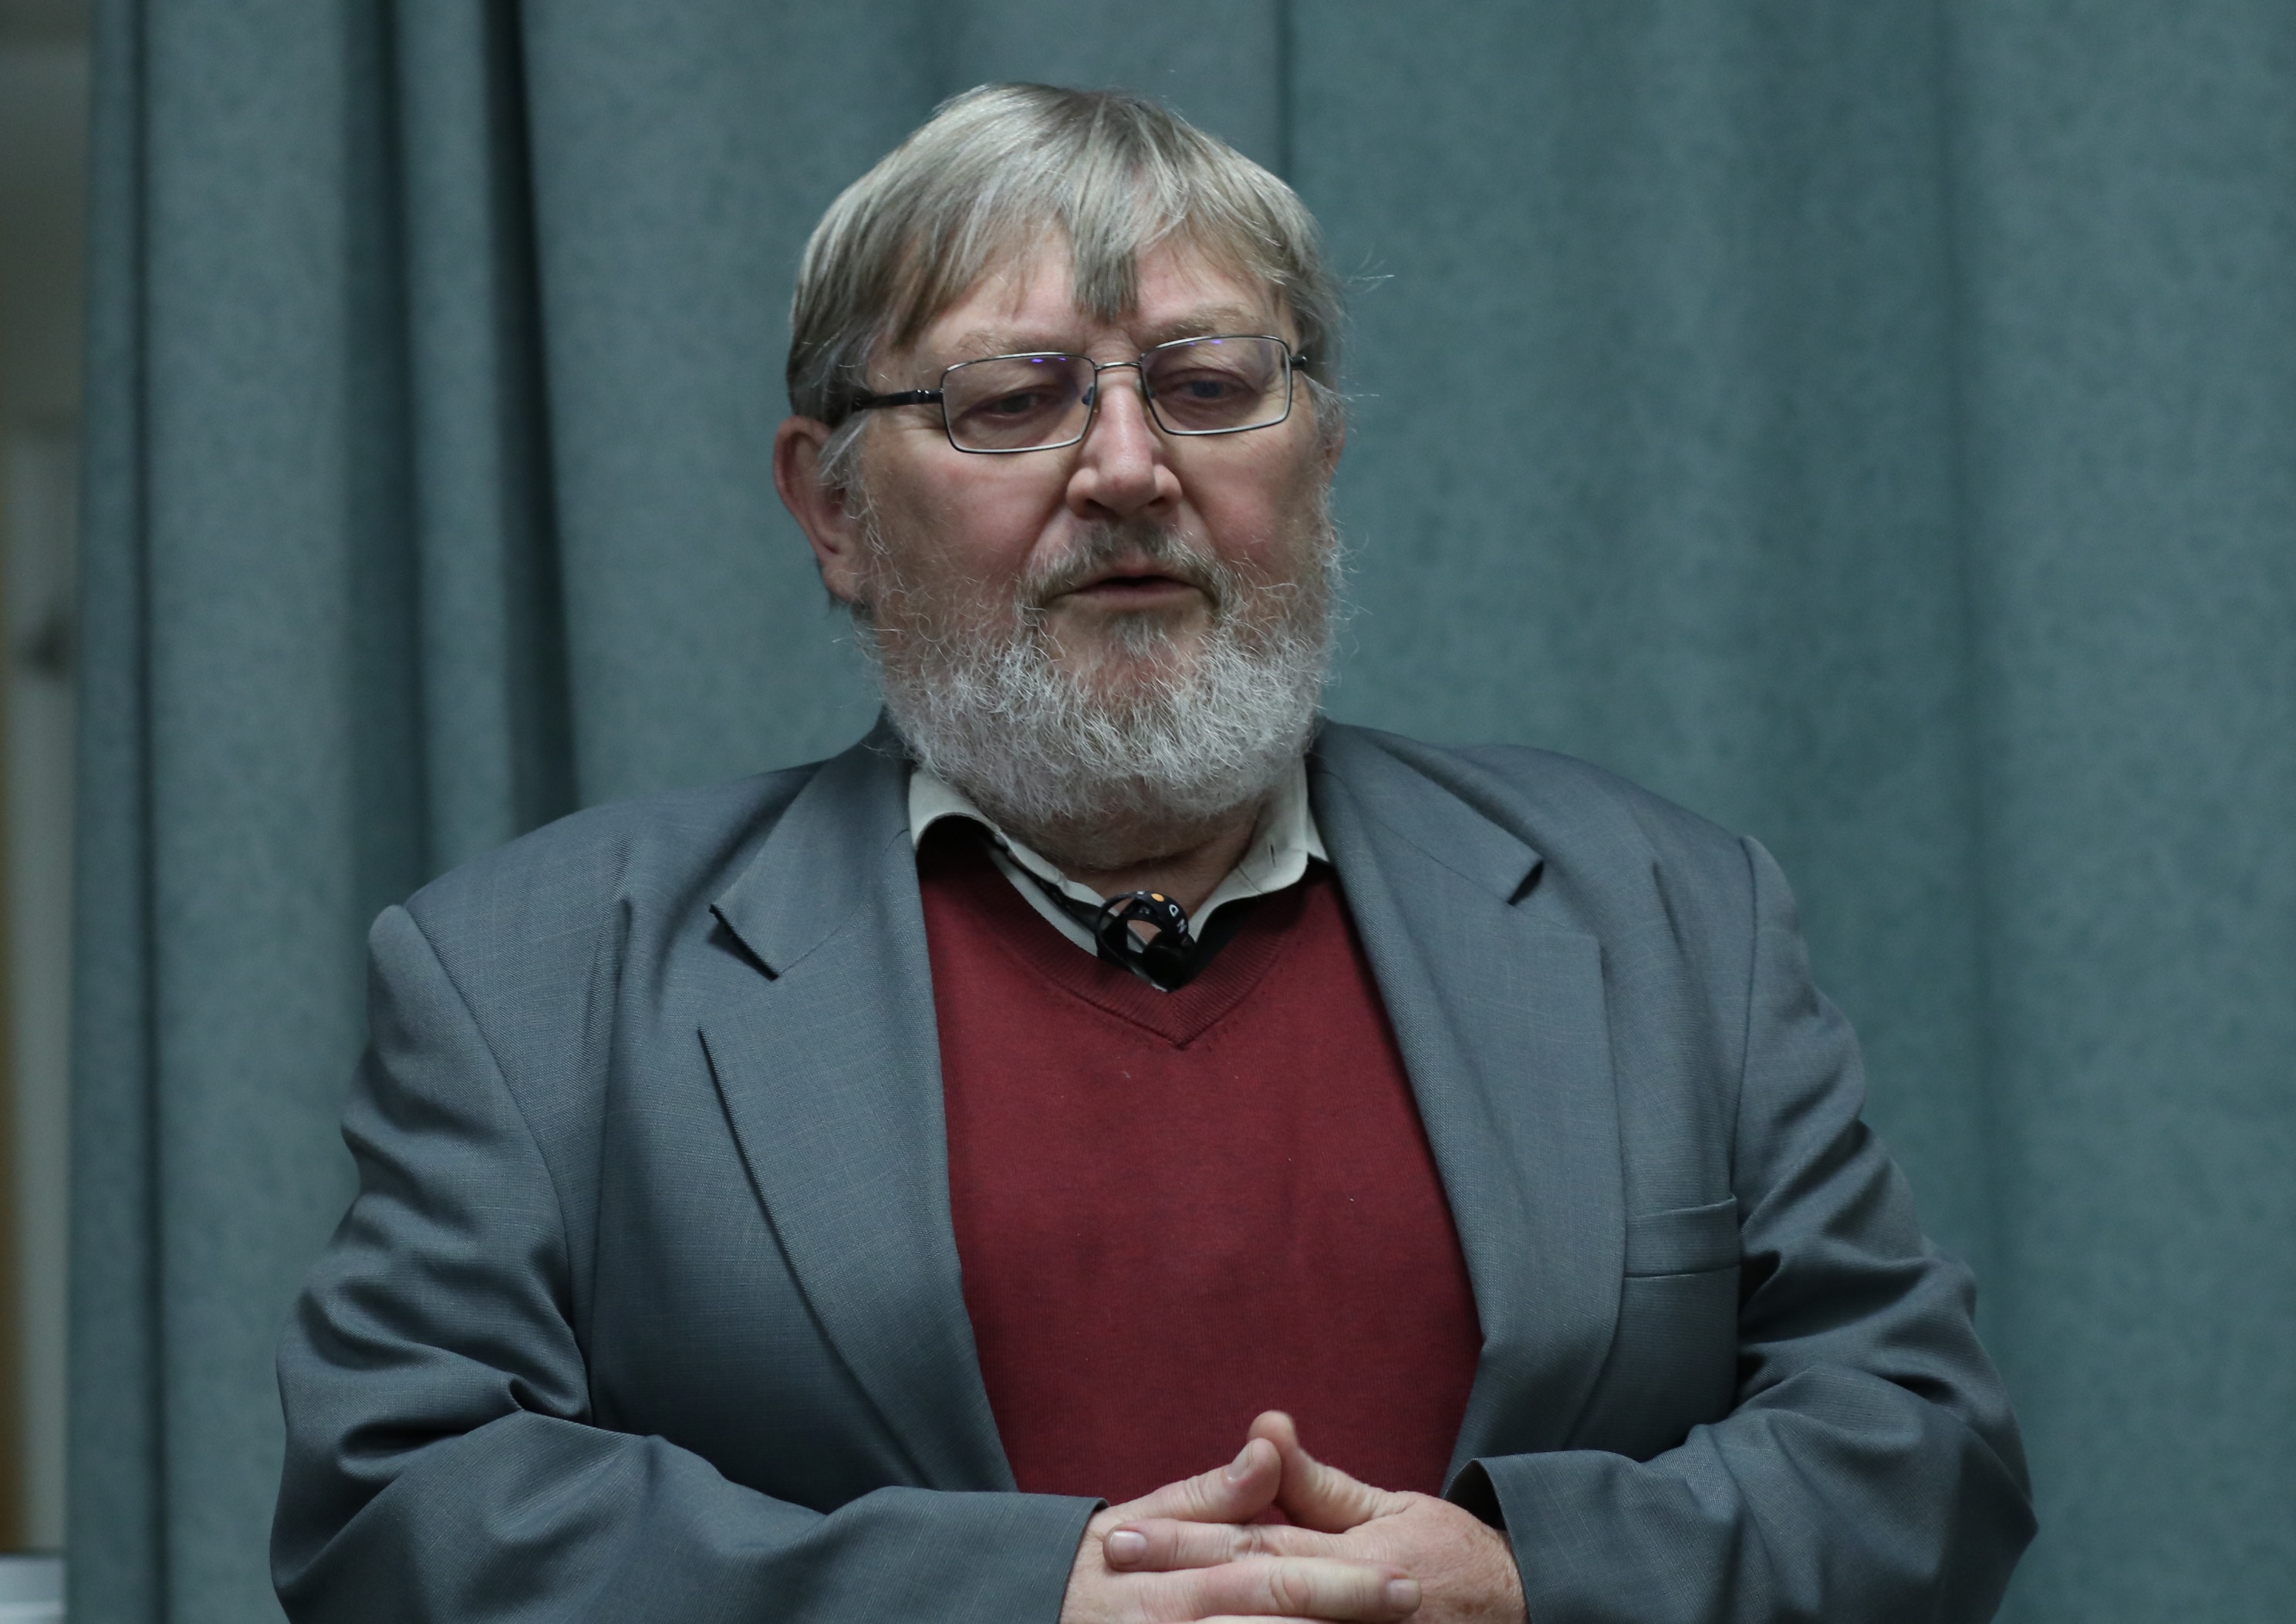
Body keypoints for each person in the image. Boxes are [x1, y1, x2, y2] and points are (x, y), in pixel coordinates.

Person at [273, 83, 2034, 1623]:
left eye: (1205, 384)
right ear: (832, 508)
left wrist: (1532, 1583)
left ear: (1319, 453)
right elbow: (397, 1506)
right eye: (1011, 400)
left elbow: (1920, 1449)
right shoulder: (533, 978)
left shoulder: (1666, 915)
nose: (1128, 469)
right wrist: (1002, 1602)